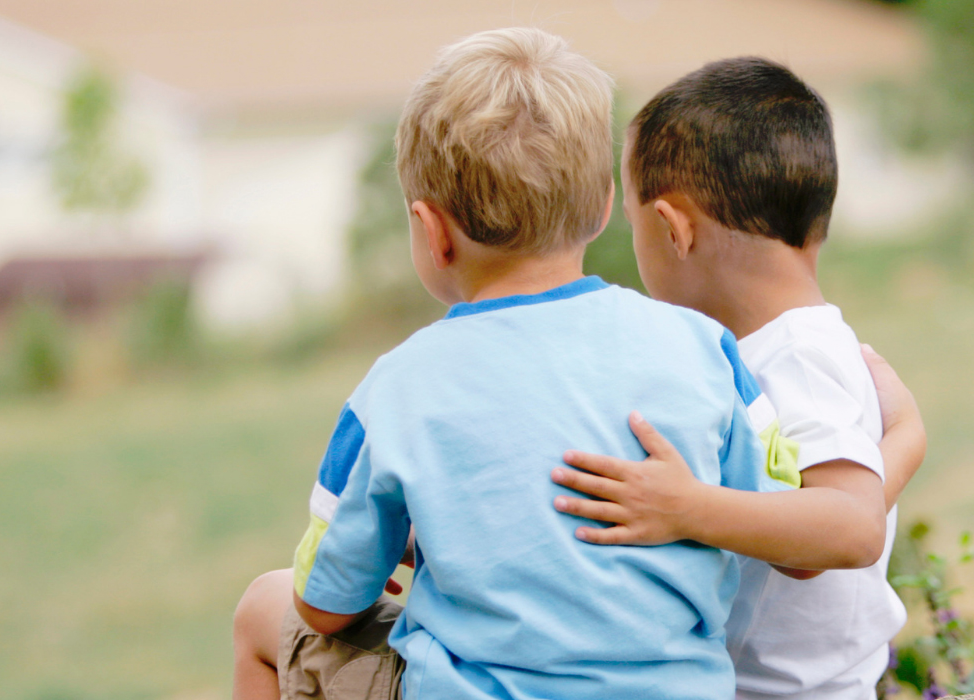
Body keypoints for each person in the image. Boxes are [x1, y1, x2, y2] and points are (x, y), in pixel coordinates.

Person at [230, 29, 901, 700]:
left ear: (431, 231)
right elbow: (782, 523)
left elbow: (325, 606)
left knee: (264, 609)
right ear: (605, 204)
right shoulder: (707, 351)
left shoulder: (395, 388)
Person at [551, 57, 927, 699]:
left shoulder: (796, 357)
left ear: (672, 231)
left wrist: (685, 509)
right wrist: (907, 438)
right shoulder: (768, 349)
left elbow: (846, 531)